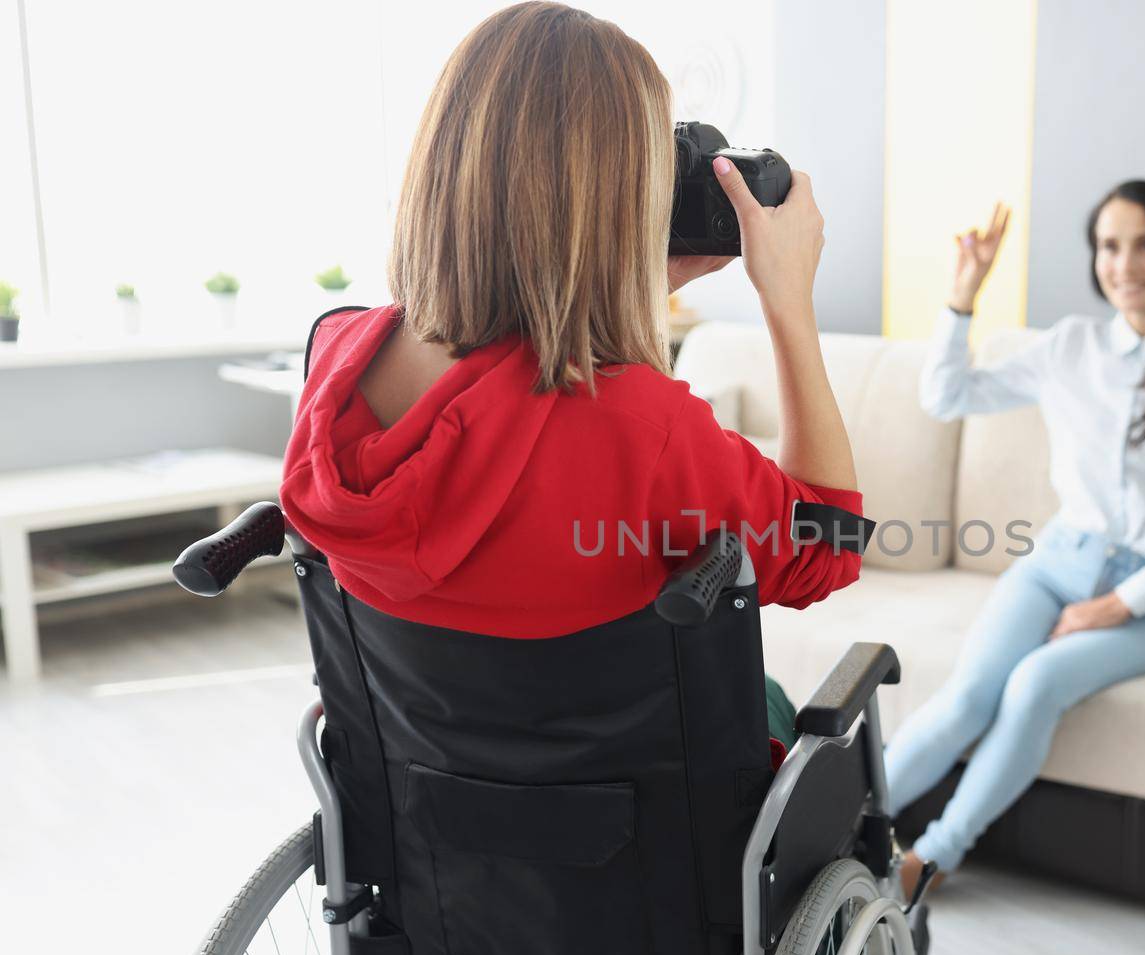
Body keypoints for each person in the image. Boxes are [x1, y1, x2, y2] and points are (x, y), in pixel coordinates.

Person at [279, 2, 862, 752]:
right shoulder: (642, 423)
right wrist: (789, 303)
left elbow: (521, 382)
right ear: (627, 194)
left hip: (423, 813)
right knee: (776, 705)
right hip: (626, 837)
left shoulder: (337, 353)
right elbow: (830, 546)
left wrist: (633, 283)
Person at [886, 181, 1145, 897]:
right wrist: (962, 296)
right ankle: (830, 826)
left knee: (1033, 684)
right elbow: (947, 396)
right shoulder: (1070, 348)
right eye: (1109, 246)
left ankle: (929, 860)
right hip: (1054, 565)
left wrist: (1120, 603)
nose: (1125, 263)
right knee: (970, 692)